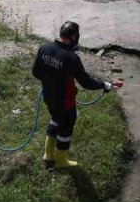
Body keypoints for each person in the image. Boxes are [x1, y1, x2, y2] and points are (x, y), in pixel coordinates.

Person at [31, 21, 123, 169]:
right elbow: (87, 83)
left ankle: (48, 155)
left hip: (49, 97)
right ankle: (61, 161)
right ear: (74, 36)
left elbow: (36, 73)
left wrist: (51, 80)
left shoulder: (45, 48)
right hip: (65, 102)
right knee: (65, 129)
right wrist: (106, 85)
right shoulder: (71, 58)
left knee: (55, 120)